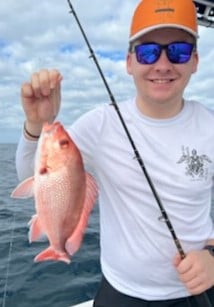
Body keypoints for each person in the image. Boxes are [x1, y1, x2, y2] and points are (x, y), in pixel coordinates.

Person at [15, 0, 214, 306]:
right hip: (120, 292)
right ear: (129, 62)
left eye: (179, 51)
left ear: (195, 61)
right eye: (148, 51)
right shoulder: (99, 125)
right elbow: (33, 177)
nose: (162, 64)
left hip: (196, 292)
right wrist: (36, 125)